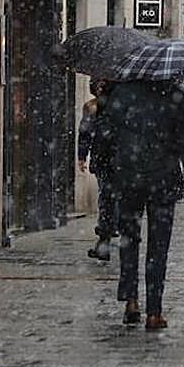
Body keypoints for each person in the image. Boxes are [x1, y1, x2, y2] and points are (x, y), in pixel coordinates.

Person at [101, 80, 184, 329]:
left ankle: (131, 299)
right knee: (158, 246)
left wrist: (117, 163)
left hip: (129, 177)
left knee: (129, 239)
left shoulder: (123, 93)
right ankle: (154, 310)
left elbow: (106, 134)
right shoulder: (174, 94)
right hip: (163, 178)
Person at [77, 79, 116, 260]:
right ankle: (111, 234)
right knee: (114, 198)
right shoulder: (122, 104)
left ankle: (105, 239)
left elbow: (85, 133)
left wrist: (82, 156)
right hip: (120, 158)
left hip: (104, 158)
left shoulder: (92, 107)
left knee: (107, 198)